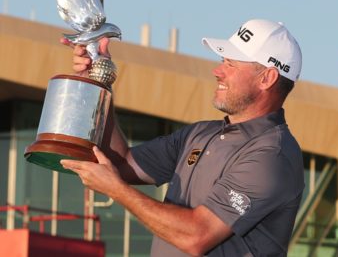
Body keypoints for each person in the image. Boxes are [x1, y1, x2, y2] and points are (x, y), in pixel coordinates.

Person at [60, 19, 304, 256]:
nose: (218, 71)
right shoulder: (199, 134)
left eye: (231, 64)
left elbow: (197, 236)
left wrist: (117, 190)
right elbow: (121, 163)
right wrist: (99, 80)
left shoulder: (272, 155)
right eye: (222, 60)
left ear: (267, 78)